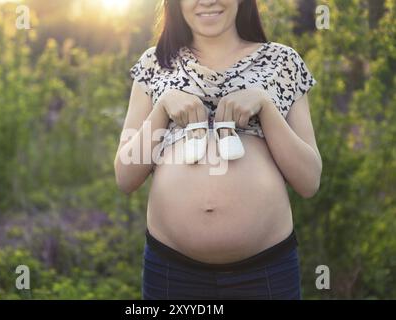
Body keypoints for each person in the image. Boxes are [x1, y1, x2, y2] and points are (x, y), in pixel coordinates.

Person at [114, 0, 322, 300]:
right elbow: (125, 176)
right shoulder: (154, 64)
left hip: (264, 271)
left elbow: (309, 181)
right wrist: (161, 109)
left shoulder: (282, 62)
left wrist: (265, 106)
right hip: (173, 271)